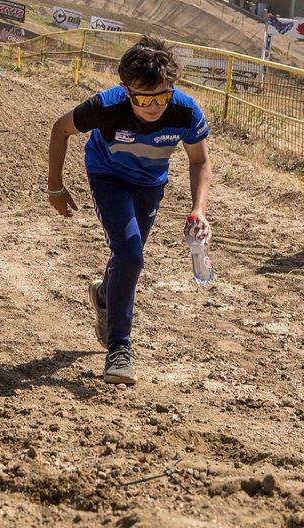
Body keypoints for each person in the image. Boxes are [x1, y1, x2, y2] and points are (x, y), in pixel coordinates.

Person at [47, 35, 211, 385]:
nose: (153, 107)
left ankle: (104, 295)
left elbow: (199, 160)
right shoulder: (106, 106)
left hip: (150, 184)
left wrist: (199, 209)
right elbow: (60, 130)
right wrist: (56, 187)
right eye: (143, 98)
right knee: (131, 255)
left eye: (161, 97)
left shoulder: (185, 110)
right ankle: (119, 349)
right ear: (125, 89)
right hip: (109, 175)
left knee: (127, 257)